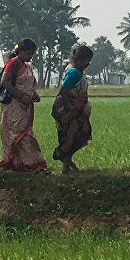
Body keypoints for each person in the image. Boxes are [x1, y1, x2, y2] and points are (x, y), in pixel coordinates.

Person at [0, 38, 48, 172]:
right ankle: (33, 164)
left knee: (23, 133)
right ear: (20, 51)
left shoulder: (26, 66)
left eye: (32, 54)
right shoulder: (13, 64)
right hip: (14, 106)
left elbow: (26, 84)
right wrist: (21, 96)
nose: (30, 56)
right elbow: (5, 82)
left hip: (25, 106)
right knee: (21, 135)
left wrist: (33, 95)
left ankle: (20, 165)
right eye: (28, 53)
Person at [53, 45, 94, 173]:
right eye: (87, 60)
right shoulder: (73, 73)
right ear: (80, 60)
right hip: (67, 108)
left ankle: (67, 160)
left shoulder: (78, 71)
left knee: (82, 133)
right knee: (71, 135)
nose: (88, 63)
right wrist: (71, 109)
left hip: (77, 108)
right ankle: (65, 162)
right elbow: (63, 92)